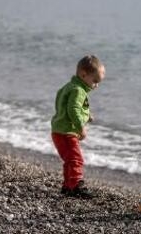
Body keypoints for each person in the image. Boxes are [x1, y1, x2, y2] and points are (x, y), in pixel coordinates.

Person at [51, 55, 105, 198]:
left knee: (70, 159)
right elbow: (73, 109)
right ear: (83, 74)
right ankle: (75, 186)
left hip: (58, 130)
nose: (96, 85)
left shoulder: (68, 87)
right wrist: (81, 126)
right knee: (76, 159)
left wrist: (87, 116)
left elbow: (64, 105)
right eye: (95, 81)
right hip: (67, 132)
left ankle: (68, 186)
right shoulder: (79, 91)